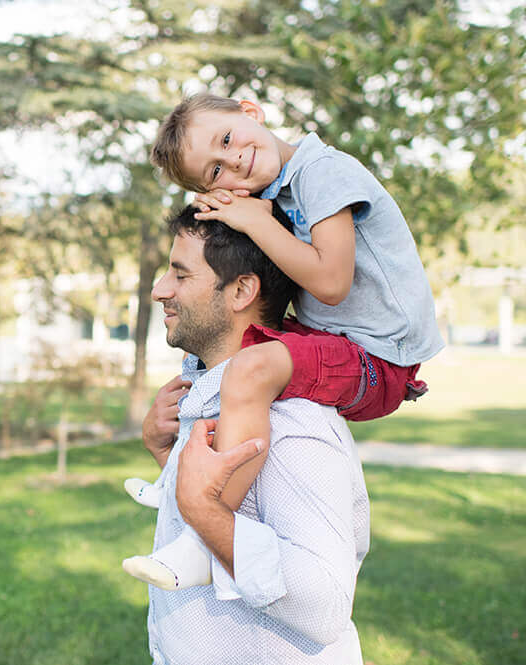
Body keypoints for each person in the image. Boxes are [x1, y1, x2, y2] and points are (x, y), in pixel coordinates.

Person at [122, 92, 443, 590]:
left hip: (379, 359)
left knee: (250, 369)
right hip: (338, 340)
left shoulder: (322, 173)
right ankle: (176, 477)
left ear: (250, 112)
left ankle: (202, 535)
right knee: (219, 346)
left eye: (226, 139)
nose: (233, 160)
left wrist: (252, 218)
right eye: (213, 173)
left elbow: (332, 281)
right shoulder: (278, 192)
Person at [132, 207, 370, 664]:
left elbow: (325, 607)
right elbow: (240, 509)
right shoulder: (214, 399)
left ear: (241, 289)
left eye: (180, 275)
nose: (160, 289)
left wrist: (204, 512)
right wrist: (168, 459)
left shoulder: (293, 424)